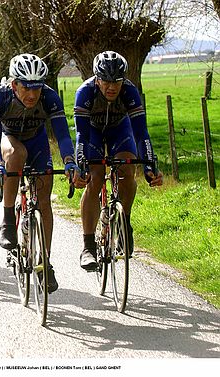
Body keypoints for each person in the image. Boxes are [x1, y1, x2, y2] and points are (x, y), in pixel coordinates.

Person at [0, 53, 80, 293]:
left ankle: (44, 262)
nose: (31, 95)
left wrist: (69, 161)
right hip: (10, 140)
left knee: (44, 200)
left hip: (37, 143)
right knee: (16, 155)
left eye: (36, 89)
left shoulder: (49, 97)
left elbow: (62, 134)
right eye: (26, 88)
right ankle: (8, 219)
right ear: (14, 84)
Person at [74, 50, 163, 271]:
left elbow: (141, 133)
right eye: (106, 81)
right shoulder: (85, 93)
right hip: (92, 133)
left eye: (117, 81)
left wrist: (150, 166)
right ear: (97, 79)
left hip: (119, 131)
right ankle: (88, 247)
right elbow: (82, 137)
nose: (112, 87)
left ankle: (125, 224)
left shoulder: (130, 92)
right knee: (95, 178)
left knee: (127, 169)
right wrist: (81, 165)